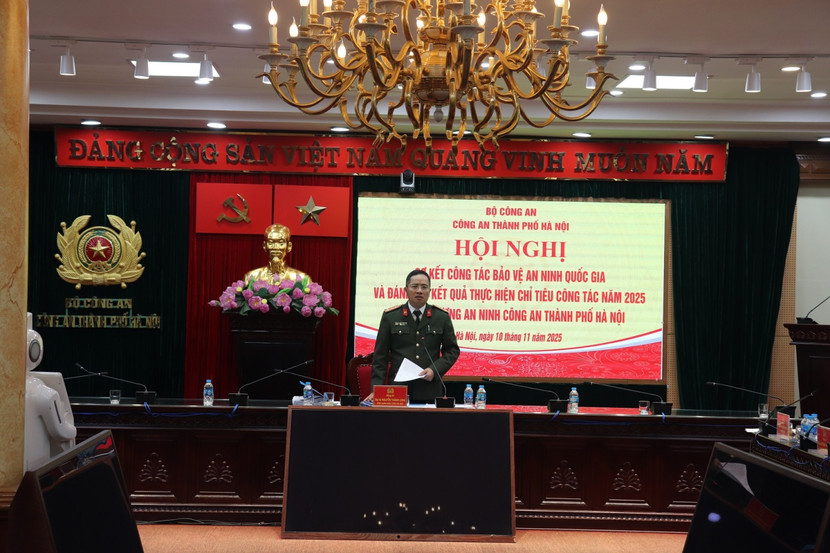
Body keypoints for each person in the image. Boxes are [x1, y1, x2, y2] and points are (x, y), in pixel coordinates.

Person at [368, 269, 460, 403]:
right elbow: (380, 357)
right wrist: (376, 389)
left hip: (429, 389)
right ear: (405, 290)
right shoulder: (391, 316)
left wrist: (434, 370)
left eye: (424, 287)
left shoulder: (441, 317)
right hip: (398, 389)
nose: (419, 291)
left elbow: (452, 350)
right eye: (415, 286)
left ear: (430, 291)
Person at [244, 223, 309, 284]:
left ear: (289, 246)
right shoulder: (251, 277)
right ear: (264, 246)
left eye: (281, 243)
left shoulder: (302, 279)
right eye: (271, 242)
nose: (275, 247)